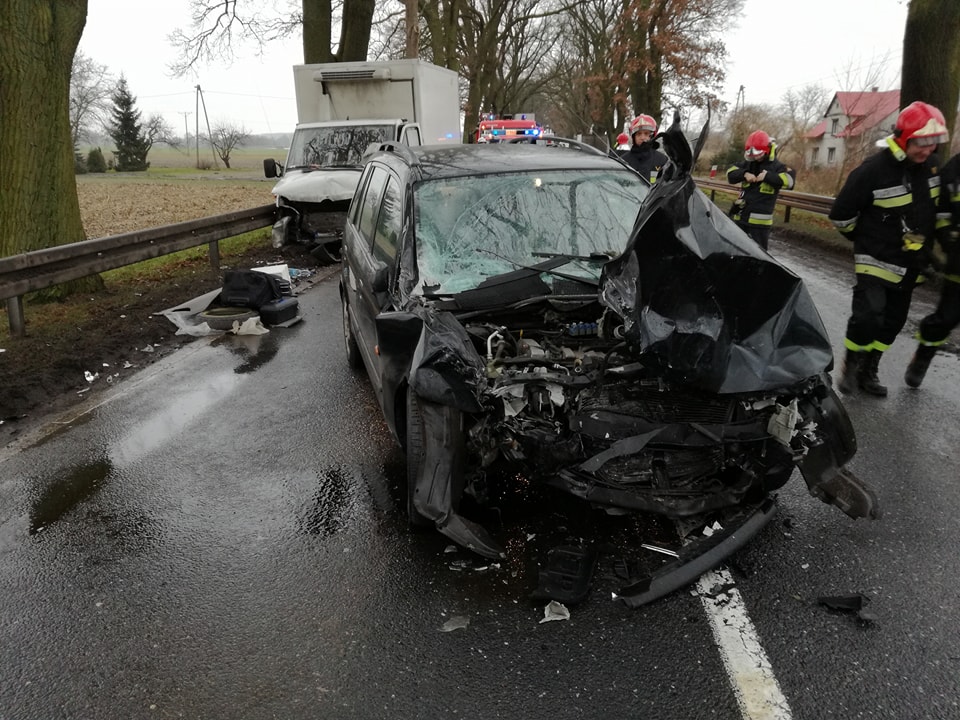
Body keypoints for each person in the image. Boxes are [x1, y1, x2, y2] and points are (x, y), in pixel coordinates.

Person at [828, 100, 950, 397]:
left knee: (893, 322)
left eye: (932, 143)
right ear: (903, 138)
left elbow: (936, 208)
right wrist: (865, 238)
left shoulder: (932, 167)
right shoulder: (873, 170)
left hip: (910, 262)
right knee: (868, 316)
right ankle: (852, 366)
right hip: (874, 258)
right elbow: (841, 215)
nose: (927, 150)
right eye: (921, 143)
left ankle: (869, 369)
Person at [903, 151, 960, 388]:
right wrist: (948, 239)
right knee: (946, 318)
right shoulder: (955, 169)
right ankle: (923, 355)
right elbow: (941, 211)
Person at [725, 130, 797, 250]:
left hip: (759, 226)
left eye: (758, 154)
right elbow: (730, 173)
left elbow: (790, 181)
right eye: (752, 154)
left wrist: (767, 176)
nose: (755, 157)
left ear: (767, 150)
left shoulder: (777, 167)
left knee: (758, 254)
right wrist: (744, 174)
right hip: (740, 219)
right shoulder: (748, 164)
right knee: (735, 251)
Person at [619, 114, 668, 184]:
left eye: (646, 133)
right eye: (639, 134)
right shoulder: (623, 161)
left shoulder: (662, 160)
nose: (642, 137)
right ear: (633, 137)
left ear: (652, 136)